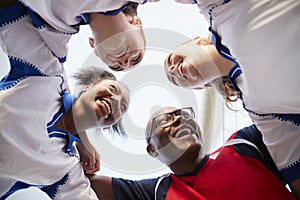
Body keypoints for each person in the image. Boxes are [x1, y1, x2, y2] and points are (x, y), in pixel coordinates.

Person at [163, 35, 300, 198]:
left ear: (197, 40)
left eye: (171, 59)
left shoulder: (229, 25)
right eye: (176, 81)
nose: (173, 70)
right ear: (203, 85)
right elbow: (289, 156)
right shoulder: (258, 110)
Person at [88, 106, 295, 200]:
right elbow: (79, 182)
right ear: (152, 150)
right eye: (164, 120)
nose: (178, 119)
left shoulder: (245, 144)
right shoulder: (155, 192)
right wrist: (81, 141)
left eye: (183, 114)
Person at [0, 61, 130, 199]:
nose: (116, 100)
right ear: (88, 87)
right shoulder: (48, 78)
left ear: (107, 126)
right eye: (113, 89)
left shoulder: (67, 169)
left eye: (122, 107)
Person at [0, 0, 159, 72]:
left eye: (116, 66)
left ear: (94, 46)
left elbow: (50, 75)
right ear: (137, 22)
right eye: (136, 57)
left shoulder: (57, 27)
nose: (124, 62)